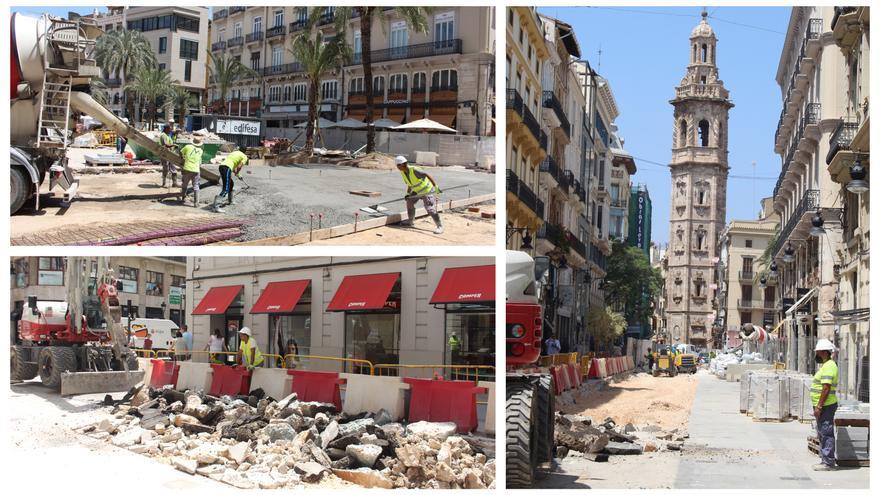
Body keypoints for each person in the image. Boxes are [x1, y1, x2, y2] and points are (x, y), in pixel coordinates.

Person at [395, 155, 444, 234]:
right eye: (397, 165)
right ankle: (410, 221)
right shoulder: (403, 172)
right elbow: (410, 184)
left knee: (430, 209)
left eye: (398, 165)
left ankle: (440, 226)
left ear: (404, 164)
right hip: (417, 191)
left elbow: (427, 175)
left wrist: (436, 187)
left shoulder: (414, 170)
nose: (397, 167)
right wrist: (408, 193)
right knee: (409, 202)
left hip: (426, 190)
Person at [811, 338, 839, 471]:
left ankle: (828, 463)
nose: (816, 354)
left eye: (817, 352)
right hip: (824, 405)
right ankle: (825, 460)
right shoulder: (826, 365)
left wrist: (819, 406)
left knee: (826, 432)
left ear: (823, 352)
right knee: (822, 432)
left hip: (826, 406)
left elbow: (826, 388)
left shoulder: (829, 366)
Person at [213, 146, 249, 212]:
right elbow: (239, 166)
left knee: (231, 184)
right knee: (226, 188)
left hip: (222, 166)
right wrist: (237, 172)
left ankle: (230, 201)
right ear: (245, 151)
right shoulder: (244, 156)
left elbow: (233, 166)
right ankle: (216, 206)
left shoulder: (235, 153)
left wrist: (238, 175)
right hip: (226, 168)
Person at [179, 137, 204, 207]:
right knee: (196, 186)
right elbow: (200, 162)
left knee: (184, 184)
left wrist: (182, 158)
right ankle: (196, 203)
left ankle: (183, 198)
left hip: (187, 168)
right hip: (196, 170)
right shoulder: (201, 150)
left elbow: (180, 152)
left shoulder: (187, 147)